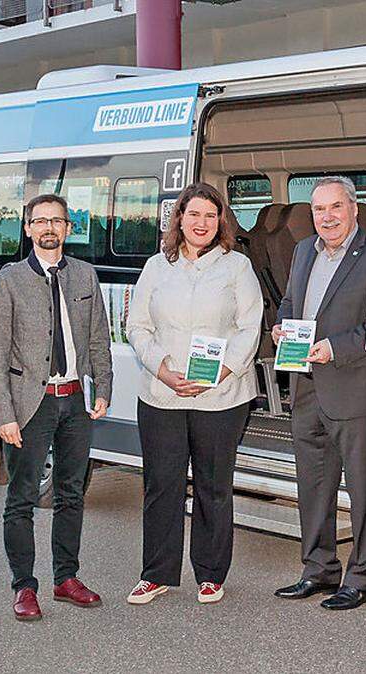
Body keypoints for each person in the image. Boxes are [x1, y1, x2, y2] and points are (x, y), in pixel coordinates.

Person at [125, 182, 262, 606]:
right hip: (162, 395)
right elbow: (137, 326)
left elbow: (249, 326)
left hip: (220, 397)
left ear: (220, 220)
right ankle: (156, 573)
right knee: (161, 485)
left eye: (210, 215)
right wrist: (161, 369)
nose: (201, 223)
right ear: (178, 219)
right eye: (193, 214)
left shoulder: (237, 266)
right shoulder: (155, 267)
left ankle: (211, 573)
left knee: (213, 485)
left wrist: (220, 372)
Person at [272, 176, 366, 611]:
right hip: (306, 387)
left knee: (363, 490)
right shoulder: (302, 251)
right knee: (312, 485)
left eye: (335, 208)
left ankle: (363, 579)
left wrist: (336, 348)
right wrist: (282, 326)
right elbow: (291, 302)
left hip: (357, 388)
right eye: (318, 210)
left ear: (353, 208)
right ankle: (319, 570)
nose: (326, 217)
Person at [0, 193, 114, 621]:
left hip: (75, 399)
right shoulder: (8, 281)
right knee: (21, 499)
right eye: (40, 222)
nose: (48, 229)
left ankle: (66, 578)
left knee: (71, 494)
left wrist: (104, 387)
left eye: (56, 221)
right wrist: (3, 415)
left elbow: (98, 338)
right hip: (29, 405)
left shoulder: (85, 275)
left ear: (68, 228)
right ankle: (24, 586)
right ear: (27, 229)